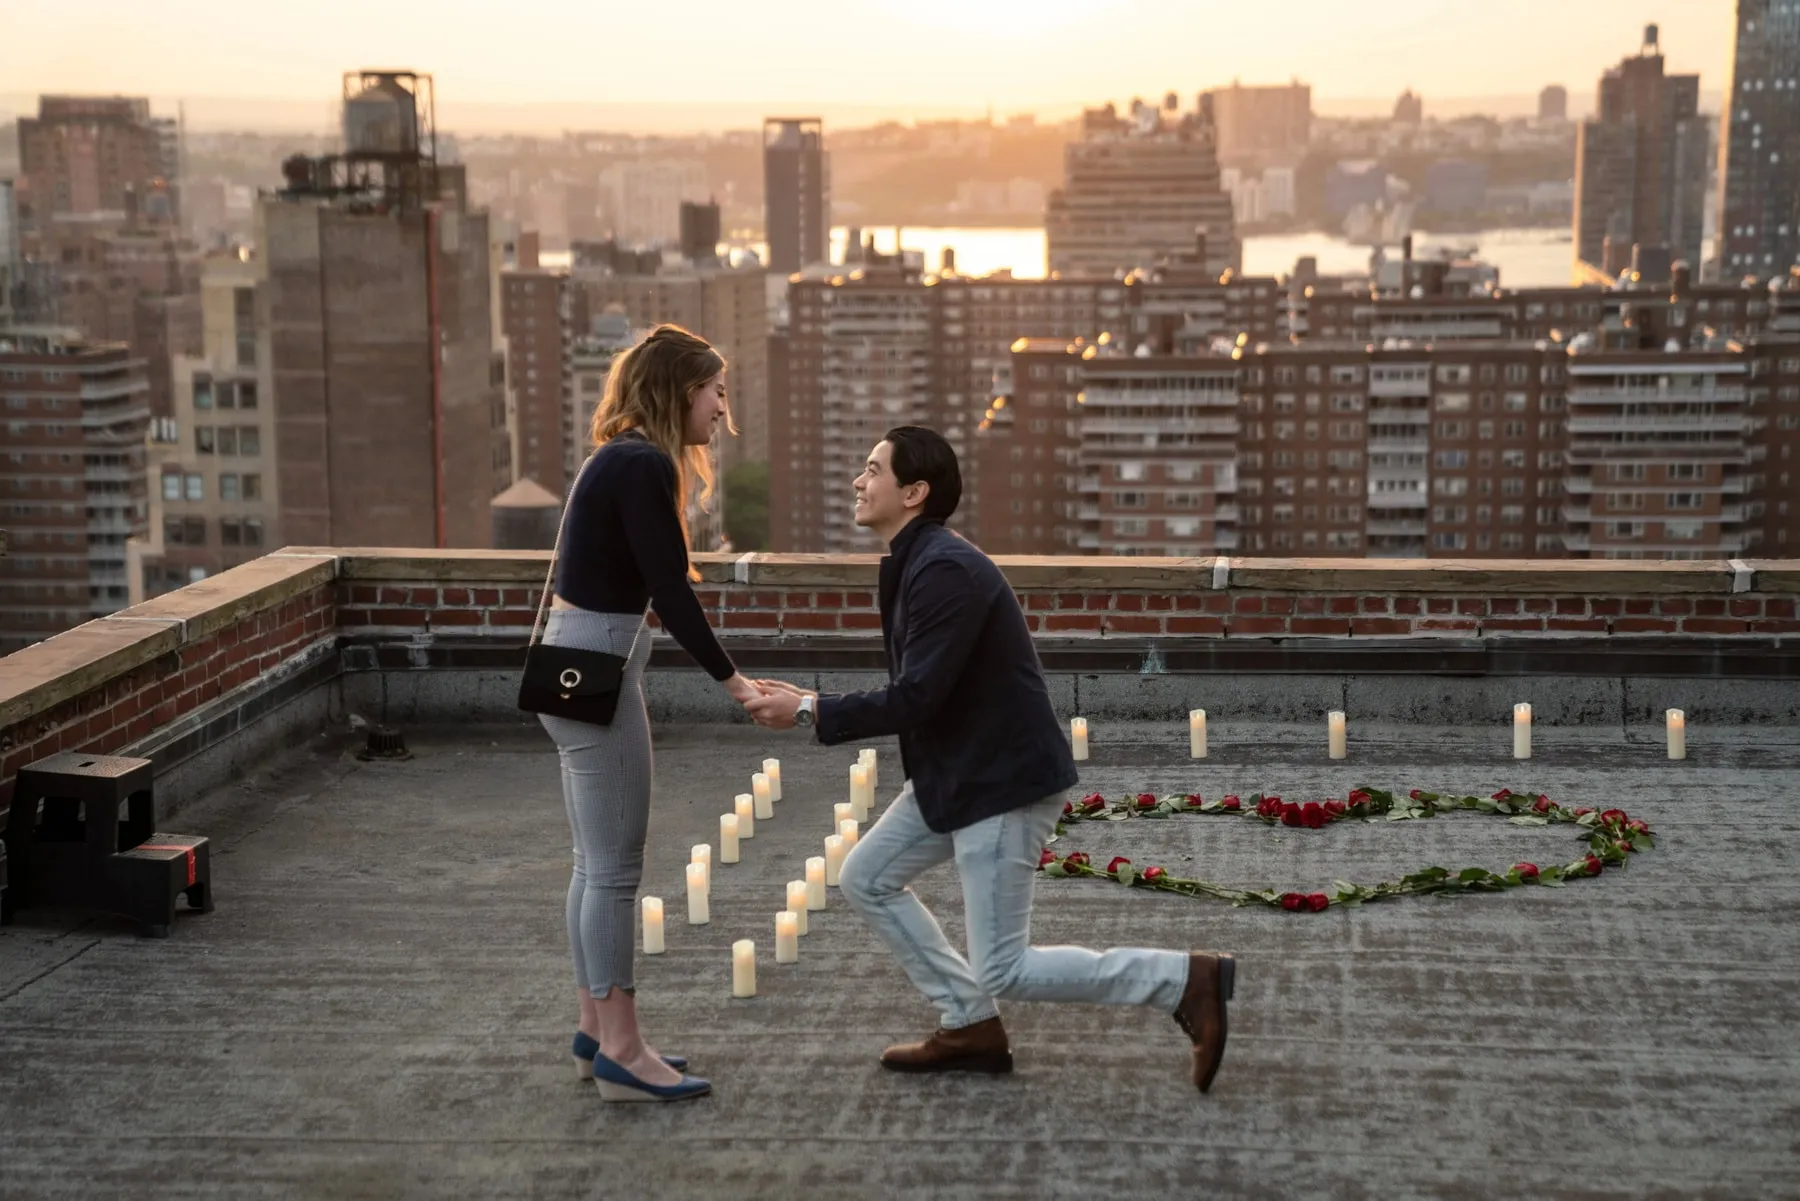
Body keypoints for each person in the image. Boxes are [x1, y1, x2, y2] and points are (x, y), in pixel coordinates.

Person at [746, 427, 1234, 1092]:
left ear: (914, 492)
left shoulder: (943, 569)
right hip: (959, 772)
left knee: (1007, 966)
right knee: (867, 875)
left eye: (871, 470)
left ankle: (1183, 978)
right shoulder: (920, 560)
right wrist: (809, 699)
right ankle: (969, 1021)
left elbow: (916, 696)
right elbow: (925, 690)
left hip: (1000, 782)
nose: (858, 483)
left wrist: (809, 709)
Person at [539, 324, 763, 1103]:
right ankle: (624, 1053)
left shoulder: (620, 457)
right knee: (615, 868)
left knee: (591, 864)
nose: (723, 410)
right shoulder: (640, 463)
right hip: (600, 662)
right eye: (716, 390)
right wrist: (736, 683)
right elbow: (672, 593)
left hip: (574, 658)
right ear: (680, 389)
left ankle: (595, 1030)